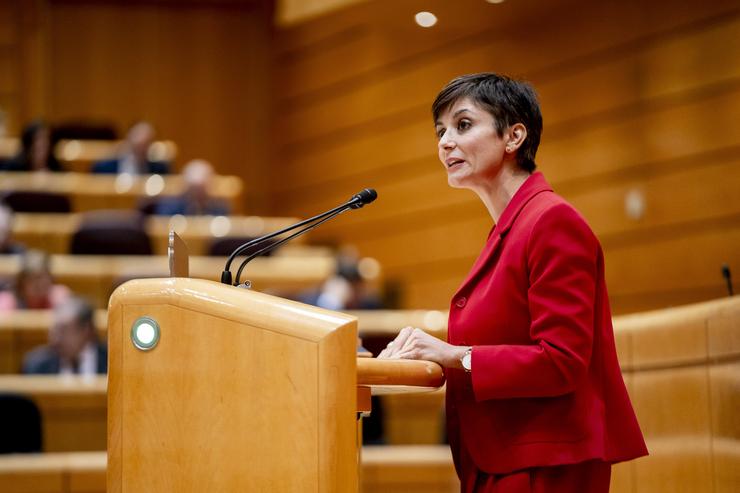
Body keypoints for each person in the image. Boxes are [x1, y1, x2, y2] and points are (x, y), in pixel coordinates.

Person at [378, 73, 647, 492]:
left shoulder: (552, 222)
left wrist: (454, 355)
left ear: (514, 136)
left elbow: (562, 361)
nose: (445, 141)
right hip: (505, 460)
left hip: (546, 467)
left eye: (463, 125)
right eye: (441, 131)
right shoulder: (513, 227)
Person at [22, 296, 107, 375]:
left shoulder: (111, 361)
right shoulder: (37, 364)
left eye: (63, 331)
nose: (56, 339)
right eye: (54, 330)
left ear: (86, 330)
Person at [152, 159, 229, 215]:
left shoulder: (219, 207)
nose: (198, 195)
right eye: (194, 190)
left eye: (202, 190)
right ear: (185, 187)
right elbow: (168, 234)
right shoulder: (170, 206)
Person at [0, 250, 70, 311]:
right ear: (22, 282)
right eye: (32, 279)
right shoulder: (8, 301)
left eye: (42, 278)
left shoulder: (58, 296)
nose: (38, 284)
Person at [92, 121, 169, 175]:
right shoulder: (104, 166)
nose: (141, 148)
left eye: (145, 144)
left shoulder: (159, 168)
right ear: (128, 138)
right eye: (138, 144)